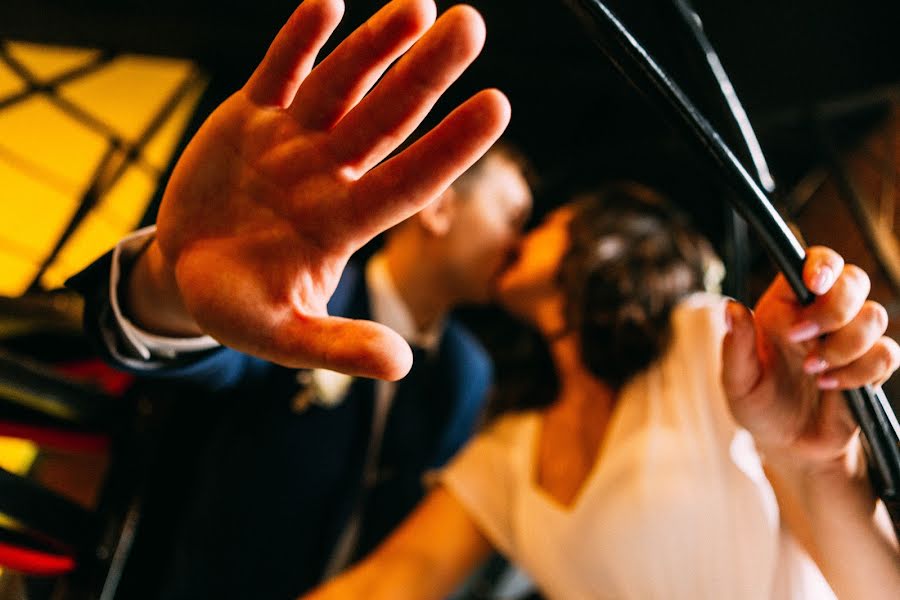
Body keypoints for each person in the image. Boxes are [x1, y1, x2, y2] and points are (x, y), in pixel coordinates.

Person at [67, 0, 530, 597]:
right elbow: (199, 354)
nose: (520, 242)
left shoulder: (468, 375)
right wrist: (166, 278)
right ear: (440, 208)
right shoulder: (300, 291)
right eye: (512, 215)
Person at [305, 184, 900, 600]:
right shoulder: (509, 449)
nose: (522, 235)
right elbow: (393, 578)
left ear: (602, 239)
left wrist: (824, 464)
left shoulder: (702, 341)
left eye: (544, 223)